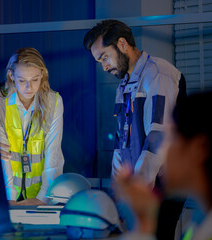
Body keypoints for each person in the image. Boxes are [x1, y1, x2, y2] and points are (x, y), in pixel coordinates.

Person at [83, 19, 187, 238]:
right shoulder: (124, 85)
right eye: (99, 61)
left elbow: (157, 138)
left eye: (104, 57)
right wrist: (119, 192)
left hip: (161, 188)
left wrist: (136, 191)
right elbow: (121, 144)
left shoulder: (159, 73)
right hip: (140, 189)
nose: (104, 66)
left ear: (122, 44)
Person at [115, 91, 212, 240]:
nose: (161, 149)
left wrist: (142, 227)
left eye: (170, 137)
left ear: (199, 149)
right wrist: (146, 222)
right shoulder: (200, 221)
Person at [0, 47, 64, 206]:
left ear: (42, 74)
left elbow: (53, 154)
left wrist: (43, 198)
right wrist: (9, 199)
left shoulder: (54, 101)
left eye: (35, 79)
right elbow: (2, 154)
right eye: (22, 80)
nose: (29, 87)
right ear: (11, 75)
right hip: (5, 196)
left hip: (40, 197)